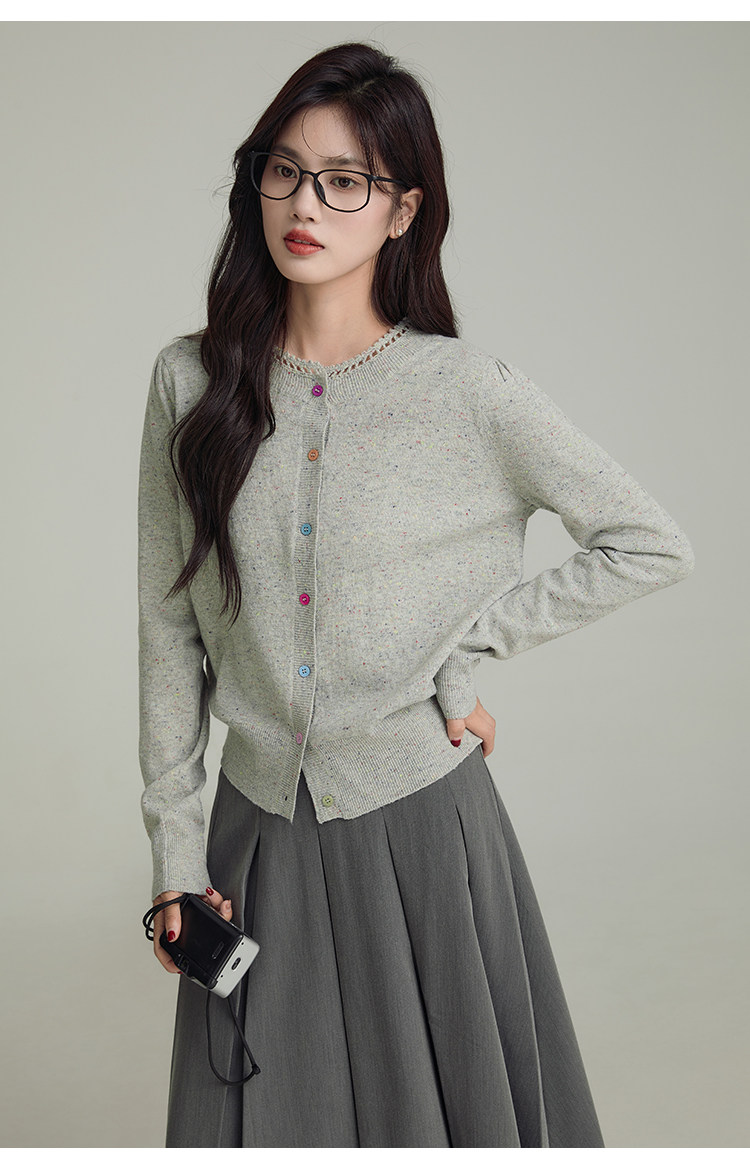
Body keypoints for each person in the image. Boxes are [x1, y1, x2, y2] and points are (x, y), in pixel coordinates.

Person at [138, 41, 694, 1149]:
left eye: (346, 180)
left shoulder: (466, 391)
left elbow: (647, 541)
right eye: (284, 170)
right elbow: (167, 623)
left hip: (424, 833)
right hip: (253, 840)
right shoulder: (190, 382)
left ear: (403, 211)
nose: (307, 204)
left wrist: (468, 650)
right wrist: (174, 858)